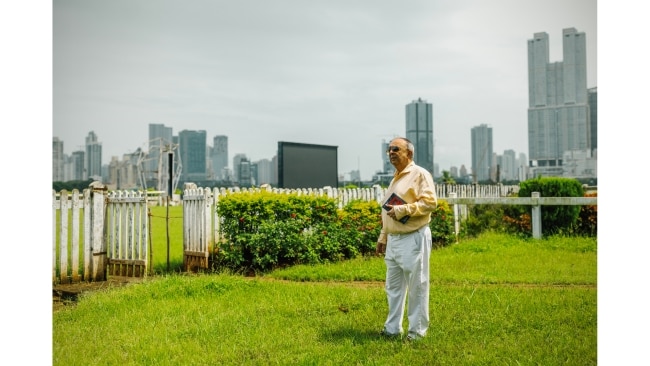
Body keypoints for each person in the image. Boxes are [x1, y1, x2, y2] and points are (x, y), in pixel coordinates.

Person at [376, 137, 437, 342]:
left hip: (413, 237)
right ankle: (392, 329)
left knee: (417, 286)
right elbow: (388, 211)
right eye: (388, 150)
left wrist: (404, 210)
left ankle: (416, 333)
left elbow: (430, 203)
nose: (391, 152)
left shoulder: (419, 174)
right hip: (394, 240)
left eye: (396, 149)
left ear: (409, 153)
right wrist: (383, 236)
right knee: (393, 287)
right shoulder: (396, 177)